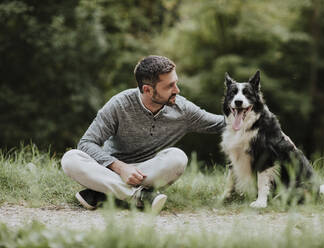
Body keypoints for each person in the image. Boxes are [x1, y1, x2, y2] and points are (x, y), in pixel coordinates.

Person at [61, 55, 225, 213]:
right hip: (112, 169)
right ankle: (138, 196)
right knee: (71, 158)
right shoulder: (120, 104)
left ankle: (102, 192)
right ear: (147, 89)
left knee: (178, 157)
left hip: (147, 172)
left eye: (175, 83)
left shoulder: (182, 109)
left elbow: (220, 124)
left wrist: (247, 106)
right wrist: (120, 167)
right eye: (169, 86)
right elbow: (86, 143)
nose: (177, 90)